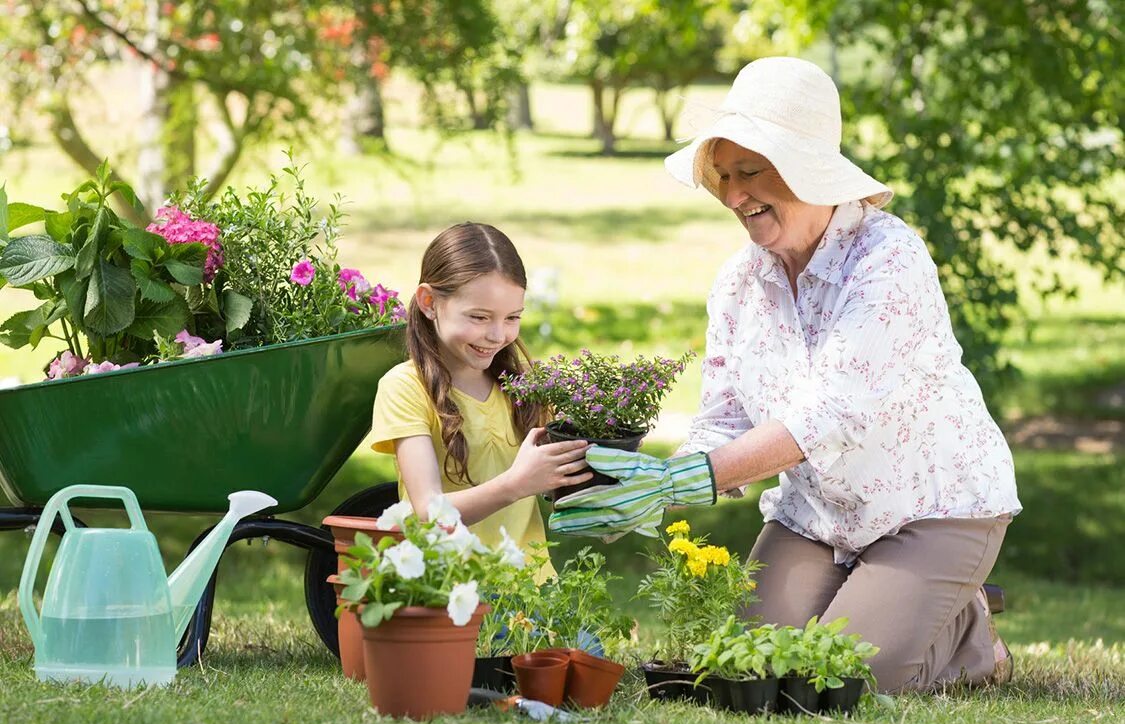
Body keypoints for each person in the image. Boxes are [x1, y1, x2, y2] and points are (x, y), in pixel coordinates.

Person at [549, 57, 1022, 692]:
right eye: (724, 176)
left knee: (840, 679)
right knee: (744, 669)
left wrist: (680, 478)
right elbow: (722, 419)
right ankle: (907, 604)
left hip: (931, 507)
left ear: (808, 169)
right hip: (817, 515)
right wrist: (656, 486)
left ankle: (971, 638)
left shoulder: (888, 258)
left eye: (752, 172)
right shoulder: (739, 282)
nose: (734, 195)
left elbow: (828, 415)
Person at [370, 222, 592, 580]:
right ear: (429, 302)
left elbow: (563, 478)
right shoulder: (406, 387)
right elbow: (426, 513)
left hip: (537, 590)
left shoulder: (526, 383)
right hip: (453, 593)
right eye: (479, 317)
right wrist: (516, 484)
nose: (497, 334)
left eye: (512, 318)